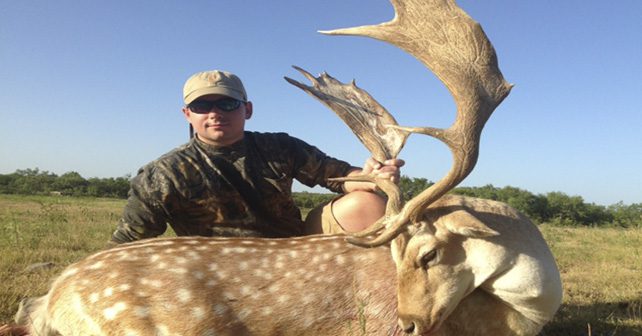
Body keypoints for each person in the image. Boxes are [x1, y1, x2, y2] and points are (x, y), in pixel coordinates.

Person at [109, 70, 404, 244]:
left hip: (296, 252)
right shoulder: (162, 175)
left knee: (366, 201)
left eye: (227, 103)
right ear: (187, 115)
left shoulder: (281, 147)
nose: (215, 113)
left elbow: (338, 176)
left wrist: (370, 177)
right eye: (202, 106)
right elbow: (126, 244)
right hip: (218, 271)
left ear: (246, 110)